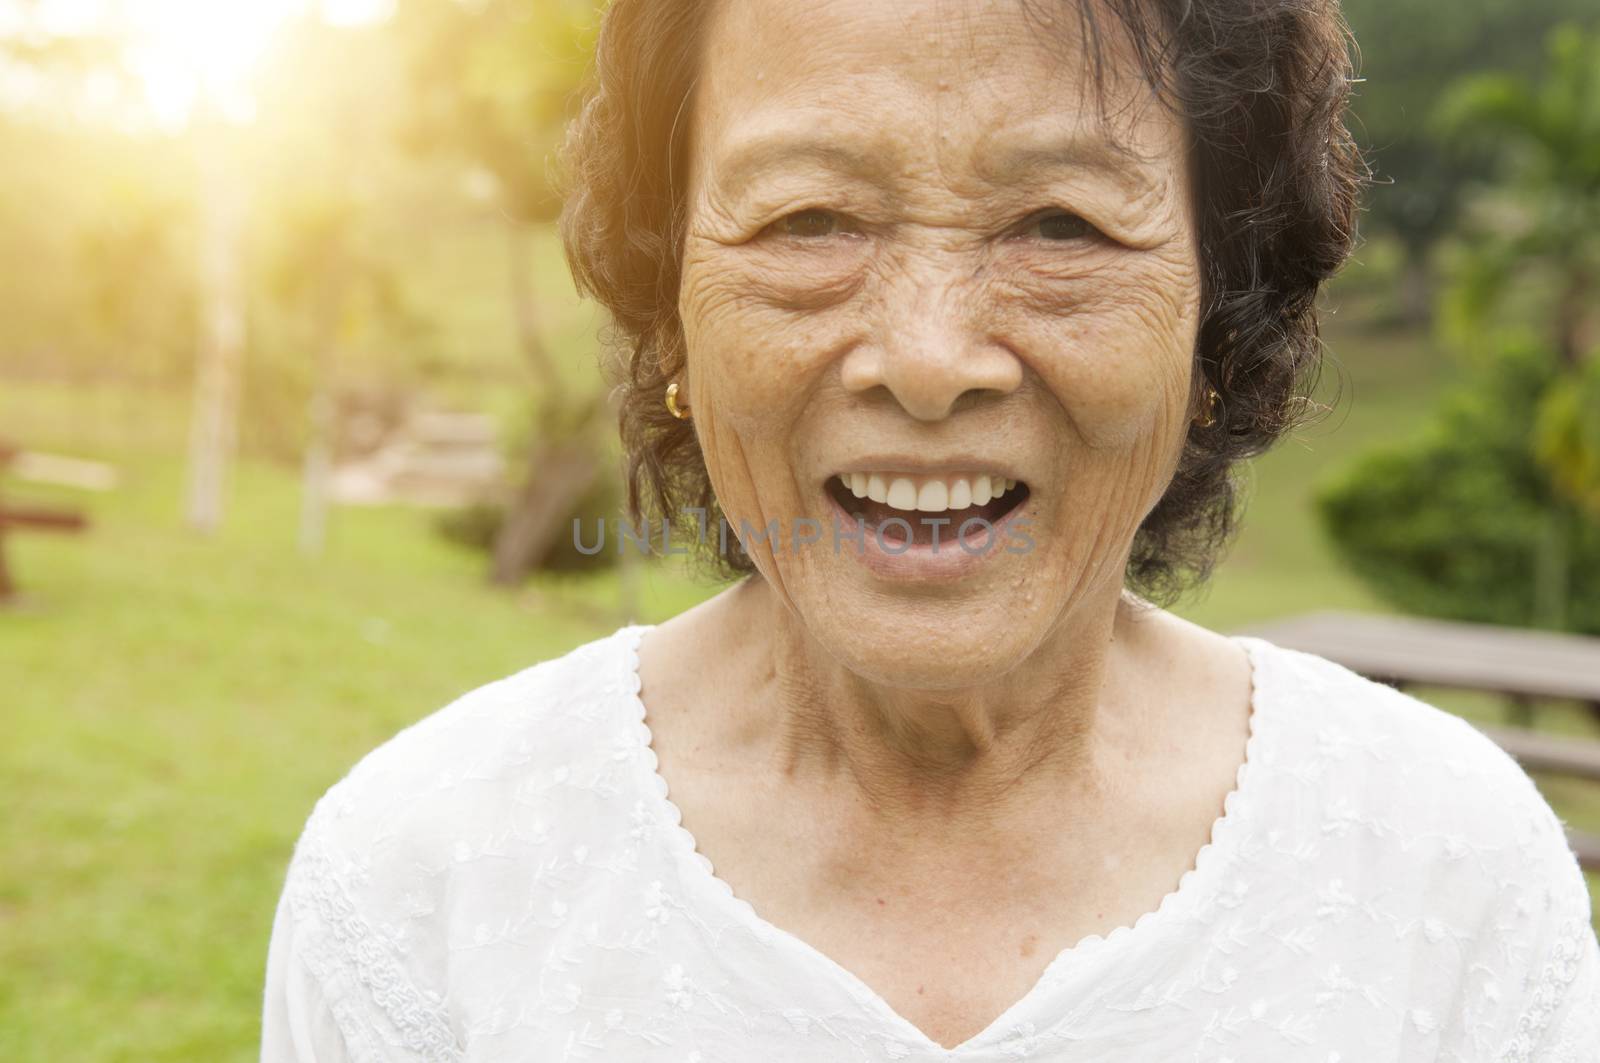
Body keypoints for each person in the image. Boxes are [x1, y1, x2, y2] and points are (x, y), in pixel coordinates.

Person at [260, 0, 1600, 1058]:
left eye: (1060, 224)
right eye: (809, 218)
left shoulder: (1445, 870)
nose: (926, 356)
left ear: (1218, 313)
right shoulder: (422, 879)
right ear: (673, 305)